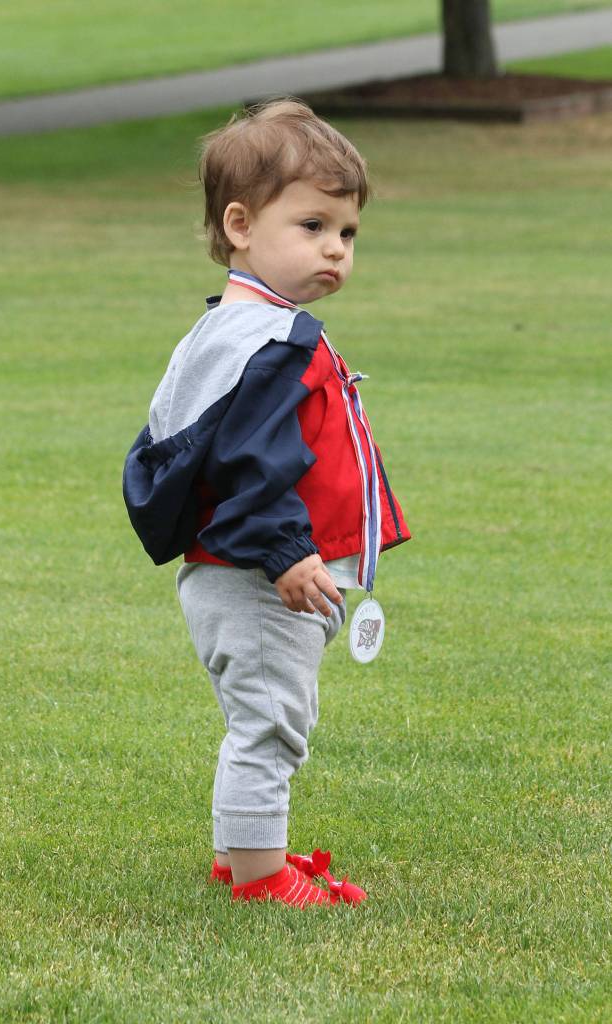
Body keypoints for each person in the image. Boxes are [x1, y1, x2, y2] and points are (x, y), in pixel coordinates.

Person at [123, 97, 411, 907]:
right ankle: (259, 878)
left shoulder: (230, 326)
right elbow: (254, 463)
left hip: (244, 571)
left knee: (266, 714)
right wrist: (287, 551)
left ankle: (242, 854)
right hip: (261, 576)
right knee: (271, 724)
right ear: (241, 225)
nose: (335, 249)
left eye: (347, 233)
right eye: (313, 226)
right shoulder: (273, 342)